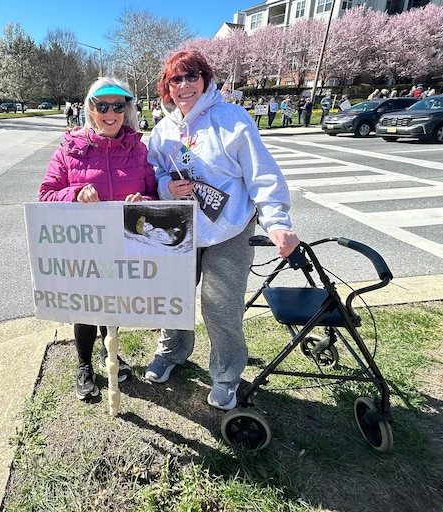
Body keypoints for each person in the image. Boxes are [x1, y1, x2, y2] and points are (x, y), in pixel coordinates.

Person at [143, 50, 299, 411]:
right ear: (166, 87)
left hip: (228, 231)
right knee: (173, 298)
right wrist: (167, 187)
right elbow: (154, 173)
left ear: (206, 79)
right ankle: (171, 353)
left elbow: (262, 174)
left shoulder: (232, 119)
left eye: (192, 76)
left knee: (221, 308)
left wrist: (277, 222)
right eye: (176, 79)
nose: (184, 85)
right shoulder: (164, 129)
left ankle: (227, 376)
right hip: (179, 229)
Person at [38, 77, 158, 401]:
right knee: (87, 309)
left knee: (114, 306)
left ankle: (111, 355)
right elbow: (46, 195)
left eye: (118, 106)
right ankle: (84, 365)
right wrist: (75, 193)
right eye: (101, 105)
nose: (110, 112)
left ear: (126, 109)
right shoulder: (69, 150)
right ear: (89, 109)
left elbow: (154, 195)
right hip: (84, 247)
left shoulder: (138, 149)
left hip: (123, 245)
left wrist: (143, 203)